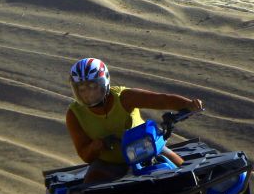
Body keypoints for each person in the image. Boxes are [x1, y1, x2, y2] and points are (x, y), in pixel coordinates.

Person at [66, 57, 204, 183]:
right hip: (110, 164)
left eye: (92, 86)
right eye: (81, 88)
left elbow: (161, 100)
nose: (88, 93)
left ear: (104, 81)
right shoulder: (74, 114)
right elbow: (85, 155)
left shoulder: (123, 97)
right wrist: (94, 147)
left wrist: (188, 104)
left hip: (148, 151)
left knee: (188, 176)